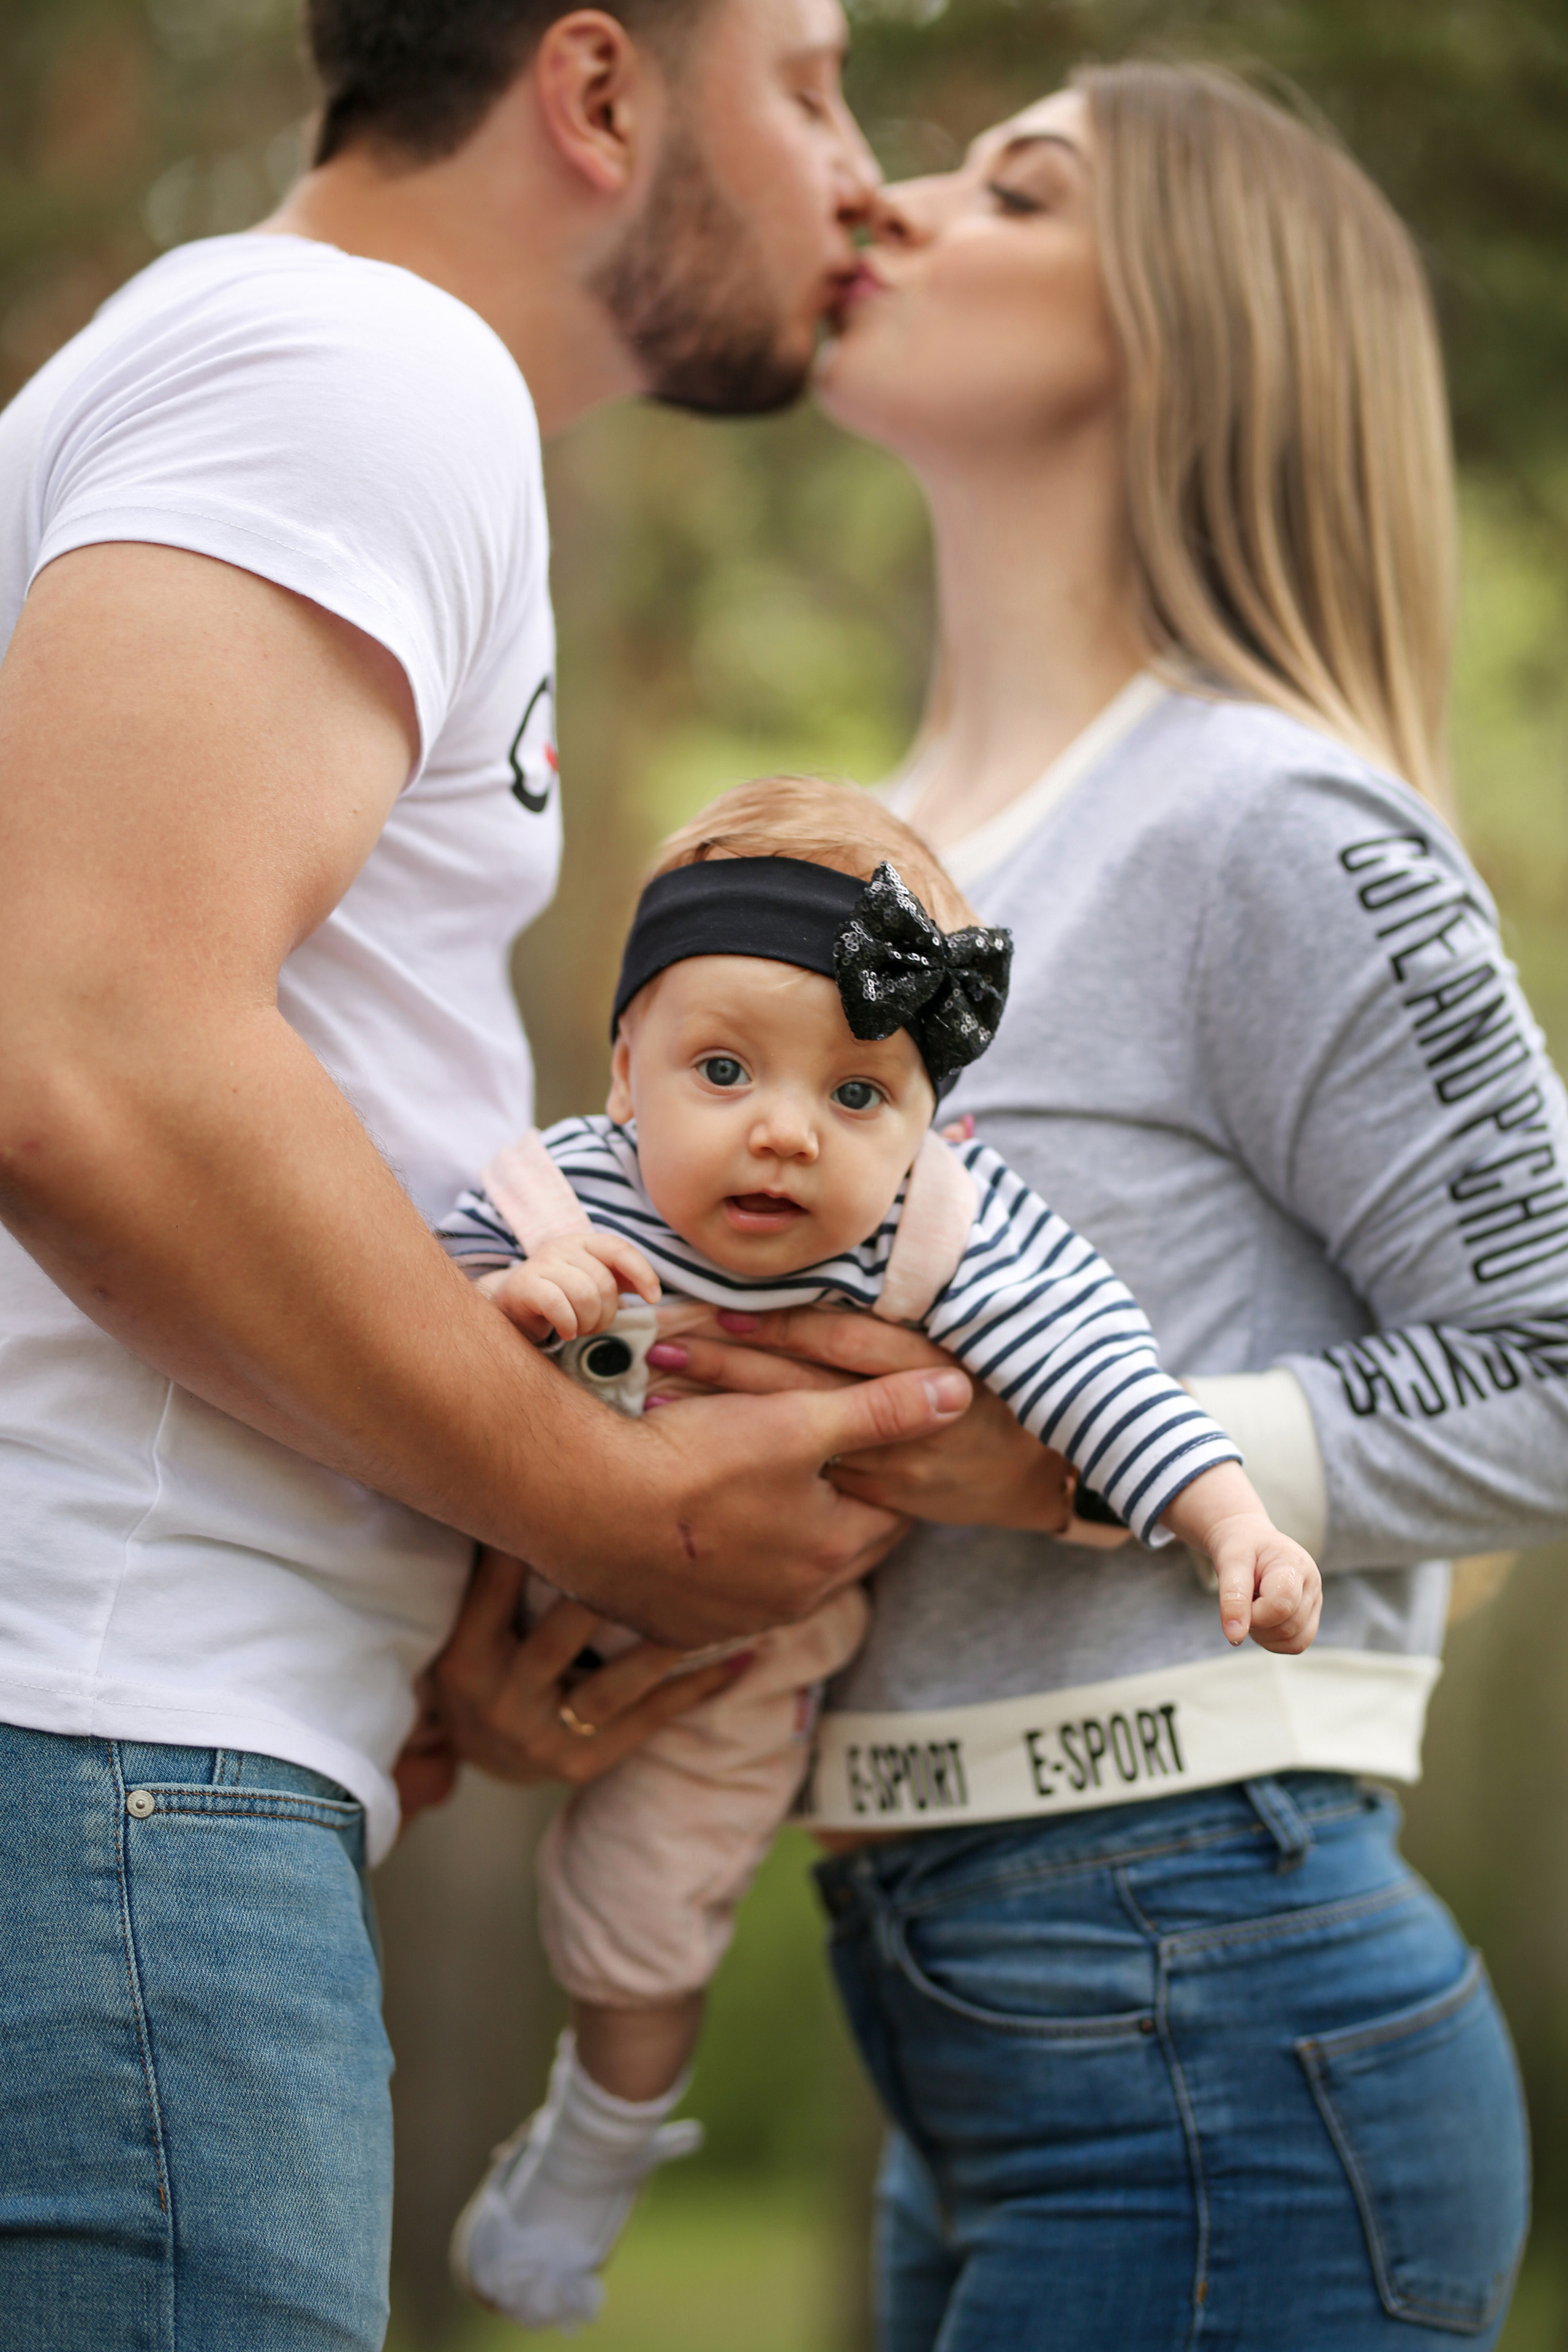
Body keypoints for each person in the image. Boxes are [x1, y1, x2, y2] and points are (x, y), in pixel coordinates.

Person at [434, 60, 1561, 2350]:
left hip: (1214, 1990)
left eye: (1011, 184)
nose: (888, 195)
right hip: (951, 2000)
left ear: (1196, 318)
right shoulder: (873, 862)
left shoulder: (1273, 816)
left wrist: (1083, 1464)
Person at [0, 6, 981, 2345]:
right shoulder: (363, 367)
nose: (862, 177)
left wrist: (437, 1666)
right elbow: (93, 1058)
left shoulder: (258, 373)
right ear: (603, 88)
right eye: (816, 81)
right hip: (125, 1790)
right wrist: (604, 1508)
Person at [429, 773, 1320, 2329]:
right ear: (626, 1066)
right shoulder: (559, 1188)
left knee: (642, 1943)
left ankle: (597, 2143)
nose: (784, 1130)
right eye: (723, 1069)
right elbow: (395, 1341)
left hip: (731, 1665)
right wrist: (518, 1301)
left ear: (926, 1121)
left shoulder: (932, 1228)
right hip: (486, 1600)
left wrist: (1228, 1516)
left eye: (859, 1094)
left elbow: (1097, 1358)